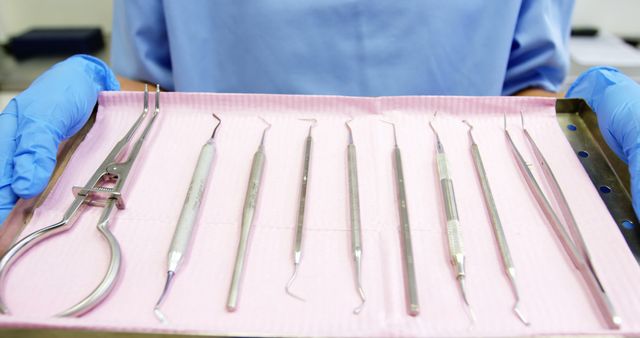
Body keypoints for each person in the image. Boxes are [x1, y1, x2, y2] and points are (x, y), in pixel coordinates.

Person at [0, 0, 639, 225]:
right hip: (214, 214)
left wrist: (596, 126)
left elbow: (523, 95)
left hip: (456, 213)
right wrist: (94, 107)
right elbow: (152, 86)